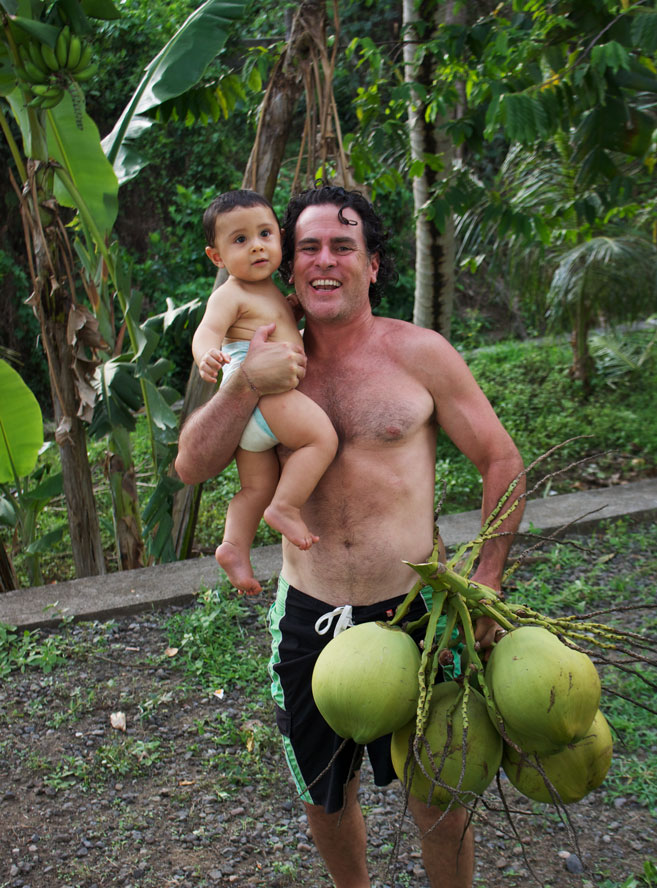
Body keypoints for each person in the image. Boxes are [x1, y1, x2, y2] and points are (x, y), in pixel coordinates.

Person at [176, 185, 526, 888]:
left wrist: (486, 575)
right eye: (308, 247)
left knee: (440, 800)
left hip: (418, 614)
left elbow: (500, 458)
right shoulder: (260, 350)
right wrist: (244, 383)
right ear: (288, 264)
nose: (323, 260)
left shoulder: (418, 353)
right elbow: (192, 464)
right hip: (309, 616)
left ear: (371, 264)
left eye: (343, 246)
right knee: (325, 799)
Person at [192, 190, 337, 595]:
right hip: (264, 395)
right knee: (320, 438)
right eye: (239, 240)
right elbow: (207, 331)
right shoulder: (230, 293)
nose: (256, 245)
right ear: (217, 257)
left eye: (264, 234)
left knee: (255, 488)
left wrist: (291, 310)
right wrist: (206, 355)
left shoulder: (270, 291)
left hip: (254, 418)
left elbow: (276, 320)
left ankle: (234, 546)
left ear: (281, 237)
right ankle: (286, 507)